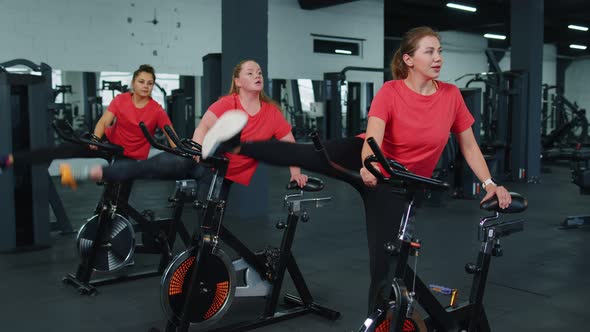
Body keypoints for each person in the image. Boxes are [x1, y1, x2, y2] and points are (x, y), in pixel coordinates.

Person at [199, 27, 512, 314]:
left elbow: (470, 146)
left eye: (439, 51)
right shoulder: (391, 91)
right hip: (364, 157)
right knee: (307, 155)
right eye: (429, 51)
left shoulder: (451, 96)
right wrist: (367, 164)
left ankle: (377, 321)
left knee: (385, 262)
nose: (438, 57)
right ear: (409, 59)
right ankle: (235, 146)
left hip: (399, 183)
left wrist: (488, 183)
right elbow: (373, 135)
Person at [64, 59, 308, 194]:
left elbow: (290, 145)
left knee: (208, 225)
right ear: (238, 81)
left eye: (260, 72)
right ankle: (89, 173)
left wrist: (295, 173)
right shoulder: (226, 103)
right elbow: (202, 128)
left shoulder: (272, 114)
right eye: (250, 72)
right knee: (147, 168)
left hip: (222, 175)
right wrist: (196, 151)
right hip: (200, 159)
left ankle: (202, 265)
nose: (257, 75)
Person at [0, 64, 175, 201]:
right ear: (133, 83)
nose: (145, 86)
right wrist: (95, 138)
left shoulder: (157, 111)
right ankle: (11, 159)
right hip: (108, 143)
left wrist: (183, 155)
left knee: (117, 200)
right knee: (64, 149)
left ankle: (112, 237)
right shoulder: (121, 100)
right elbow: (104, 121)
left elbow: (171, 137)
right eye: (141, 81)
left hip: (129, 156)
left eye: (149, 83)